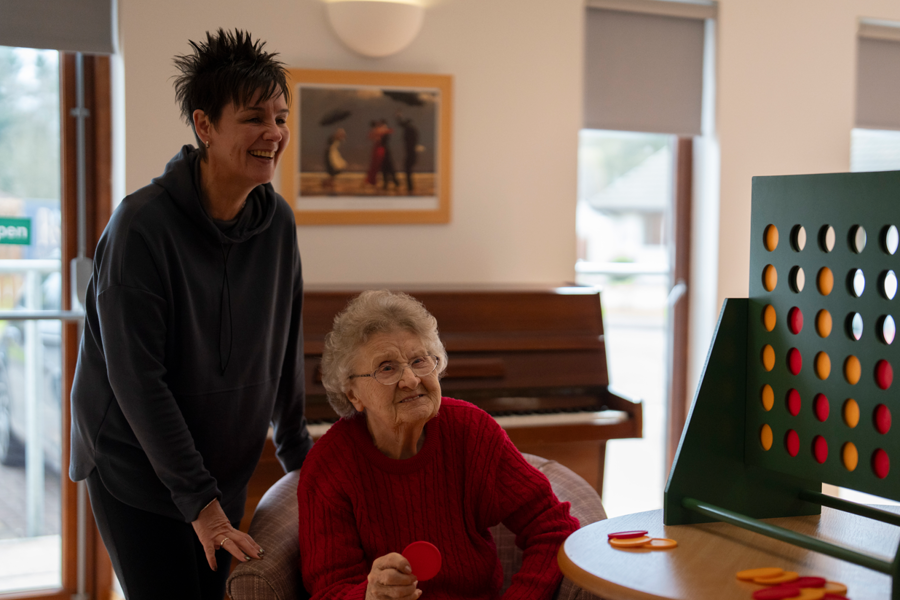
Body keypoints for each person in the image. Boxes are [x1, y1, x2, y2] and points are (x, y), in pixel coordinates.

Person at [69, 29, 313, 600]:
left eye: (280, 117)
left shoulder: (276, 222)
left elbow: (285, 340)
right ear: (204, 126)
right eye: (255, 118)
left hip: (221, 468)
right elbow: (138, 383)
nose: (273, 134)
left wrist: (300, 456)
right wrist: (201, 507)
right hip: (136, 470)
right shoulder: (140, 229)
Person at [297, 290, 579, 600]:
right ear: (354, 395)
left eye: (419, 361)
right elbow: (329, 590)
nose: (411, 380)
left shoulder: (471, 431)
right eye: (387, 368)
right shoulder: (329, 466)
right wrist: (370, 595)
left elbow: (553, 527)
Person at [396, 113, 419, 194]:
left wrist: (398, 117)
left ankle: (410, 188)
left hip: (410, 153)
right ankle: (410, 188)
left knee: (407, 170)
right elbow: (401, 124)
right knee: (408, 170)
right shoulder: (412, 130)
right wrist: (398, 117)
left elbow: (401, 124)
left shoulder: (409, 130)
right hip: (411, 153)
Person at [324, 127, 347, 195]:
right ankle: (329, 182)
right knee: (333, 167)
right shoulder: (332, 138)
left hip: (334, 154)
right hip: (330, 154)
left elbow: (342, 139)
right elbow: (329, 145)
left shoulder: (338, 139)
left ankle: (329, 182)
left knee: (336, 167)